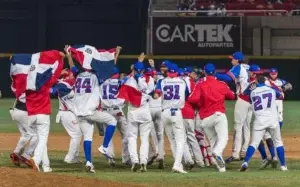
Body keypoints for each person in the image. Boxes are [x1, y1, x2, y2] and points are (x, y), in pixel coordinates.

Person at [189, 63, 235, 172]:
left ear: (204, 72)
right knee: (223, 139)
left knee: (213, 140)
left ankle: (221, 167)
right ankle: (218, 153)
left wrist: (201, 104)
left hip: (205, 119)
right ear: (215, 72)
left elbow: (192, 99)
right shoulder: (221, 83)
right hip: (218, 115)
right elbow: (232, 96)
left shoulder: (200, 84)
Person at [240, 75, 288, 172]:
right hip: (272, 120)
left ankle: (245, 162)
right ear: (265, 81)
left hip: (259, 121)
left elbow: (246, 95)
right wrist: (277, 88)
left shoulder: (252, 92)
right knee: (278, 142)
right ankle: (283, 166)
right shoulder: (271, 90)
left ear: (256, 82)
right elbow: (281, 96)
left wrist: (251, 86)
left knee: (254, 143)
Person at [118, 54, 153, 172]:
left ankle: (135, 161)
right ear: (143, 70)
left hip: (133, 111)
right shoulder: (150, 79)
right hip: (145, 110)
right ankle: (144, 161)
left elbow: (123, 96)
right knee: (144, 138)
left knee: (132, 138)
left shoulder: (128, 81)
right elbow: (153, 94)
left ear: (133, 70)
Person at [216, 52, 252, 163]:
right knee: (246, 126)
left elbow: (227, 78)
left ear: (237, 60)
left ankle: (235, 154)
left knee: (238, 127)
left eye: (233, 59)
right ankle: (244, 151)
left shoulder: (238, 67)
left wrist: (214, 74)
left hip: (242, 99)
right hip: (252, 100)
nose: (231, 60)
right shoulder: (247, 67)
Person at [154, 63, 188, 174]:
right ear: (177, 72)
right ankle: (177, 165)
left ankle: (179, 164)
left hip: (165, 113)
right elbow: (187, 96)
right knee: (181, 140)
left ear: (168, 72)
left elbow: (156, 96)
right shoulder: (183, 82)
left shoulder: (162, 81)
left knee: (172, 140)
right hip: (177, 112)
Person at [97, 66, 130, 166]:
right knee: (126, 134)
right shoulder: (120, 82)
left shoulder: (101, 83)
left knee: (108, 135)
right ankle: (126, 158)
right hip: (117, 111)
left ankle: (110, 157)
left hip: (106, 112)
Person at [146, 59, 165, 169]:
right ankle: (161, 155)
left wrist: (152, 67)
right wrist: (153, 67)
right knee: (160, 135)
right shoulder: (162, 81)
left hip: (150, 110)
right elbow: (157, 75)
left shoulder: (145, 81)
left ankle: (154, 152)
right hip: (160, 110)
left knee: (149, 133)